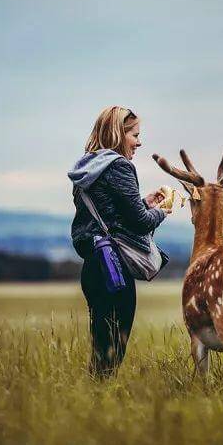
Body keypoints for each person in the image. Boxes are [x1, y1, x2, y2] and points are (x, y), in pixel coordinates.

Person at [68, 106, 171, 377]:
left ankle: (94, 401)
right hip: (114, 268)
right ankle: (100, 405)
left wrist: (142, 203)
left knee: (100, 345)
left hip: (93, 265)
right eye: (135, 135)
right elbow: (140, 223)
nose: (139, 142)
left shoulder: (86, 168)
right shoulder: (120, 166)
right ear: (118, 133)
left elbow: (104, 215)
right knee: (114, 348)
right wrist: (162, 211)